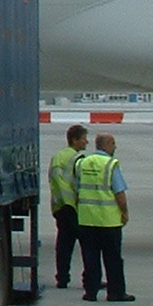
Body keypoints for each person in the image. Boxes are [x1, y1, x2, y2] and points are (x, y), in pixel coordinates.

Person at [75, 132, 134, 302]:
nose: (115, 147)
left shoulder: (82, 163)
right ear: (106, 145)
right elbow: (119, 193)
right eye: (113, 143)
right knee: (113, 259)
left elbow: (77, 190)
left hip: (87, 219)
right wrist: (125, 212)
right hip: (109, 221)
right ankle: (116, 293)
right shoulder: (110, 164)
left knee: (90, 258)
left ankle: (90, 292)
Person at [48, 124, 90, 289]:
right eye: (84, 139)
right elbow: (80, 183)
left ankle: (62, 278)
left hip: (59, 205)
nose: (87, 142)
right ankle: (90, 278)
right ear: (75, 140)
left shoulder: (58, 156)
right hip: (72, 205)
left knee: (64, 244)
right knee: (87, 243)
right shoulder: (77, 158)